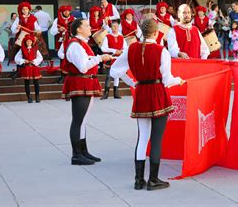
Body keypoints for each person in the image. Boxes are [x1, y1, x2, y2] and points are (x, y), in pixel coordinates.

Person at [110, 18, 185, 191]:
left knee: (142, 137)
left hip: (142, 92)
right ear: (156, 32)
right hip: (157, 93)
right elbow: (167, 80)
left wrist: (132, 82)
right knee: (156, 139)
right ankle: (153, 179)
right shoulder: (161, 51)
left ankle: (138, 180)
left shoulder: (131, 48)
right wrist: (179, 80)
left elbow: (115, 70)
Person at [62, 18, 112, 165]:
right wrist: (100, 58)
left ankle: (83, 151)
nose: (90, 28)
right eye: (87, 25)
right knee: (78, 120)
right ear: (78, 29)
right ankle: (76, 155)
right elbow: (83, 67)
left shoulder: (81, 44)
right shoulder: (75, 45)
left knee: (83, 120)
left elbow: (86, 61)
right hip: (80, 81)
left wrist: (99, 58)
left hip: (86, 81)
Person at [101, 20, 128, 100]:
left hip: (118, 58)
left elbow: (126, 48)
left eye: (117, 26)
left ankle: (116, 93)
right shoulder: (108, 36)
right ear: (111, 27)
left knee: (117, 75)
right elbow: (103, 48)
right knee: (109, 75)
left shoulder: (121, 37)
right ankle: (106, 93)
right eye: (114, 26)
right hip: (110, 57)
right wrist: (114, 50)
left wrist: (121, 51)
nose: (115, 28)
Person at [50, 5, 75, 83]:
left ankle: (71, 76)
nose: (67, 12)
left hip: (71, 41)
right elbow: (52, 32)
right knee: (62, 59)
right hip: (61, 41)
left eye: (68, 11)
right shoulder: (57, 20)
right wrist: (58, 29)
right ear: (62, 12)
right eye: (65, 11)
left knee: (71, 58)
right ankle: (63, 76)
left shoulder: (74, 19)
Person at [15, 34, 43, 103]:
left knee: (36, 82)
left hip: (34, 67)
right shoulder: (22, 50)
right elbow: (16, 58)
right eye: (27, 41)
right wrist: (23, 60)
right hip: (26, 68)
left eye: (30, 41)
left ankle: (37, 96)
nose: (29, 42)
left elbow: (40, 57)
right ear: (25, 42)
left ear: (32, 42)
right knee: (27, 83)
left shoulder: (35, 49)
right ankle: (29, 97)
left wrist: (35, 61)